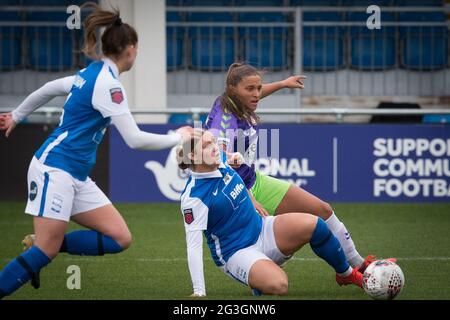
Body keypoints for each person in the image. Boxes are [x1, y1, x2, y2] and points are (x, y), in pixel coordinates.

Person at [0, 5, 192, 299]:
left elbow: (50, 87)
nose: (136, 53)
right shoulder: (109, 86)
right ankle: (35, 254)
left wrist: (18, 114)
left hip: (75, 174)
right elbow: (135, 140)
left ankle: (40, 246)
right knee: (45, 251)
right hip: (54, 169)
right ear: (129, 49)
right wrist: (177, 136)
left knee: (119, 237)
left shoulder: (92, 72)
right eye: (136, 48)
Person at [204, 62, 389, 272]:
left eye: (258, 88)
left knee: (323, 210)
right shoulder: (224, 121)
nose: (256, 94)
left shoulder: (239, 101)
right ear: (232, 89)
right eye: (250, 89)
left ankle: (361, 265)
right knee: (269, 243)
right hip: (233, 192)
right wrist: (249, 197)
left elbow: (257, 92)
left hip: (253, 180)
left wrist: (283, 83)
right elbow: (218, 163)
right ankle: (260, 275)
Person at [177, 130, 364, 297]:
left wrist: (239, 167)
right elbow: (193, 246)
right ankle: (259, 277)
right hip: (236, 252)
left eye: (213, 142)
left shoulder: (220, 161)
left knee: (316, 225)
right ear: (192, 156)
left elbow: (232, 164)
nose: (214, 148)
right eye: (207, 145)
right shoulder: (194, 198)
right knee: (279, 286)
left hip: (262, 227)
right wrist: (199, 291)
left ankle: (346, 275)